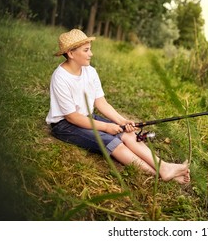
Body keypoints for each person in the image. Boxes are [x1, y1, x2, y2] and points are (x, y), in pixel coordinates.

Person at [46, 29, 190, 184]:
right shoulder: (60, 77)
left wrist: (122, 121)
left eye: (90, 49)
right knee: (115, 143)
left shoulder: (90, 72)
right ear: (71, 54)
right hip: (65, 126)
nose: (91, 54)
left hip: (88, 118)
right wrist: (107, 128)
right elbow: (72, 117)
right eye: (86, 50)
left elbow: (101, 102)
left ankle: (164, 167)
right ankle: (160, 174)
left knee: (129, 135)